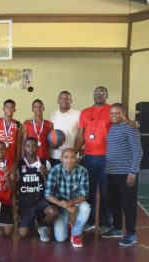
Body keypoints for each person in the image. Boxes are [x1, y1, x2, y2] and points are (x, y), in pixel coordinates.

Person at [102, 103, 143, 247]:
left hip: (126, 173)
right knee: (114, 202)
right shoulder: (113, 128)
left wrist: (133, 172)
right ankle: (117, 228)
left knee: (128, 204)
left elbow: (138, 152)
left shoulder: (130, 128)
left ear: (124, 113)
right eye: (112, 113)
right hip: (112, 172)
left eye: (117, 113)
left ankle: (131, 234)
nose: (114, 115)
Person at [74, 86, 111, 234]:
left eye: (102, 93)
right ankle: (89, 222)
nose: (99, 95)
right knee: (88, 192)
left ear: (106, 95)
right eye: (96, 92)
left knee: (105, 192)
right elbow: (80, 134)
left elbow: (124, 125)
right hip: (88, 158)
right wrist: (75, 153)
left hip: (107, 158)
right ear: (93, 95)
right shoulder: (85, 112)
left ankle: (105, 223)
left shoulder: (111, 110)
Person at [45, 148, 91, 248]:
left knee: (86, 208)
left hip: (75, 201)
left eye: (72, 157)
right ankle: (68, 223)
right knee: (60, 239)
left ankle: (75, 234)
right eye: (66, 157)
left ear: (76, 159)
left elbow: (84, 194)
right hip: (60, 204)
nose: (69, 160)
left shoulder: (83, 171)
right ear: (61, 159)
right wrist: (66, 206)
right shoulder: (55, 170)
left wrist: (70, 203)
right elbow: (48, 194)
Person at [17, 138, 58, 242]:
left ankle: (42, 224)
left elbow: (50, 187)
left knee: (53, 212)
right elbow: (16, 186)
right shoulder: (18, 164)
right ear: (24, 148)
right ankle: (33, 218)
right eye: (28, 146)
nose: (31, 149)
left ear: (38, 147)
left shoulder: (45, 163)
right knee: (23, 234)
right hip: (26, 202)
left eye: (34, 146)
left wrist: (44, 175)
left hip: (41, 201)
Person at [49, 91, 81, 167]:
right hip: (55, 155)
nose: (64, 100)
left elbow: (80, 136)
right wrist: (52, 144)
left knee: (71, 179)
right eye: (62, 98)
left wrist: (75, 153)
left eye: (67, 99)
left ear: (71, 101)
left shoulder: (78, 114)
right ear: (58, 100)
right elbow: (50, 134)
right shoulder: (52, 115)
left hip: (71, 157)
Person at [0, 99, 22, 164]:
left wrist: (17, 160)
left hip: (11, 158)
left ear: (14, 109)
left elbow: (18, 144)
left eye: (11, 108)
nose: (9, 110)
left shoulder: (18, 124)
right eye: (7, 107)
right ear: (3, 109)